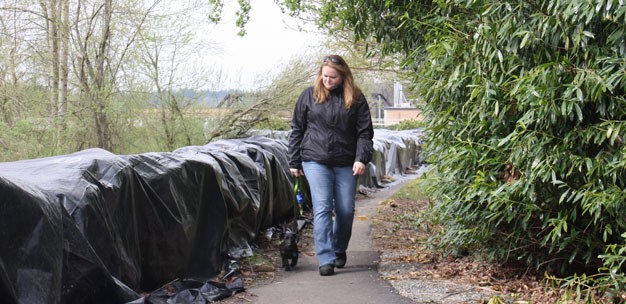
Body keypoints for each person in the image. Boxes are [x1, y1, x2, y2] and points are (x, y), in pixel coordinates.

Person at [288, 54, 374, 276]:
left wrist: (361, 158)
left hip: (346, 161)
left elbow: (364, 132)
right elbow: (297, 129)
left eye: (333, 77)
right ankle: (325, 257)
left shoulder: (356, 98)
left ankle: (338, 249)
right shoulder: (308, 96)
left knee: (345, 209)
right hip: (315, 160)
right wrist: (294, 160)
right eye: (324, 76)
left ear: (343, 77)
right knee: (323, 206)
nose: (327, 80)